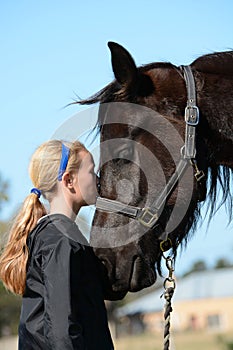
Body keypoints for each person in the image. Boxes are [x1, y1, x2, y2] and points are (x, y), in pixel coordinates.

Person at [0, 139, 115, 350]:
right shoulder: (61, 240)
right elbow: (62, 329)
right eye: (91, 171)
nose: (98, 179)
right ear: (69, 180)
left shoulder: (57, 235)